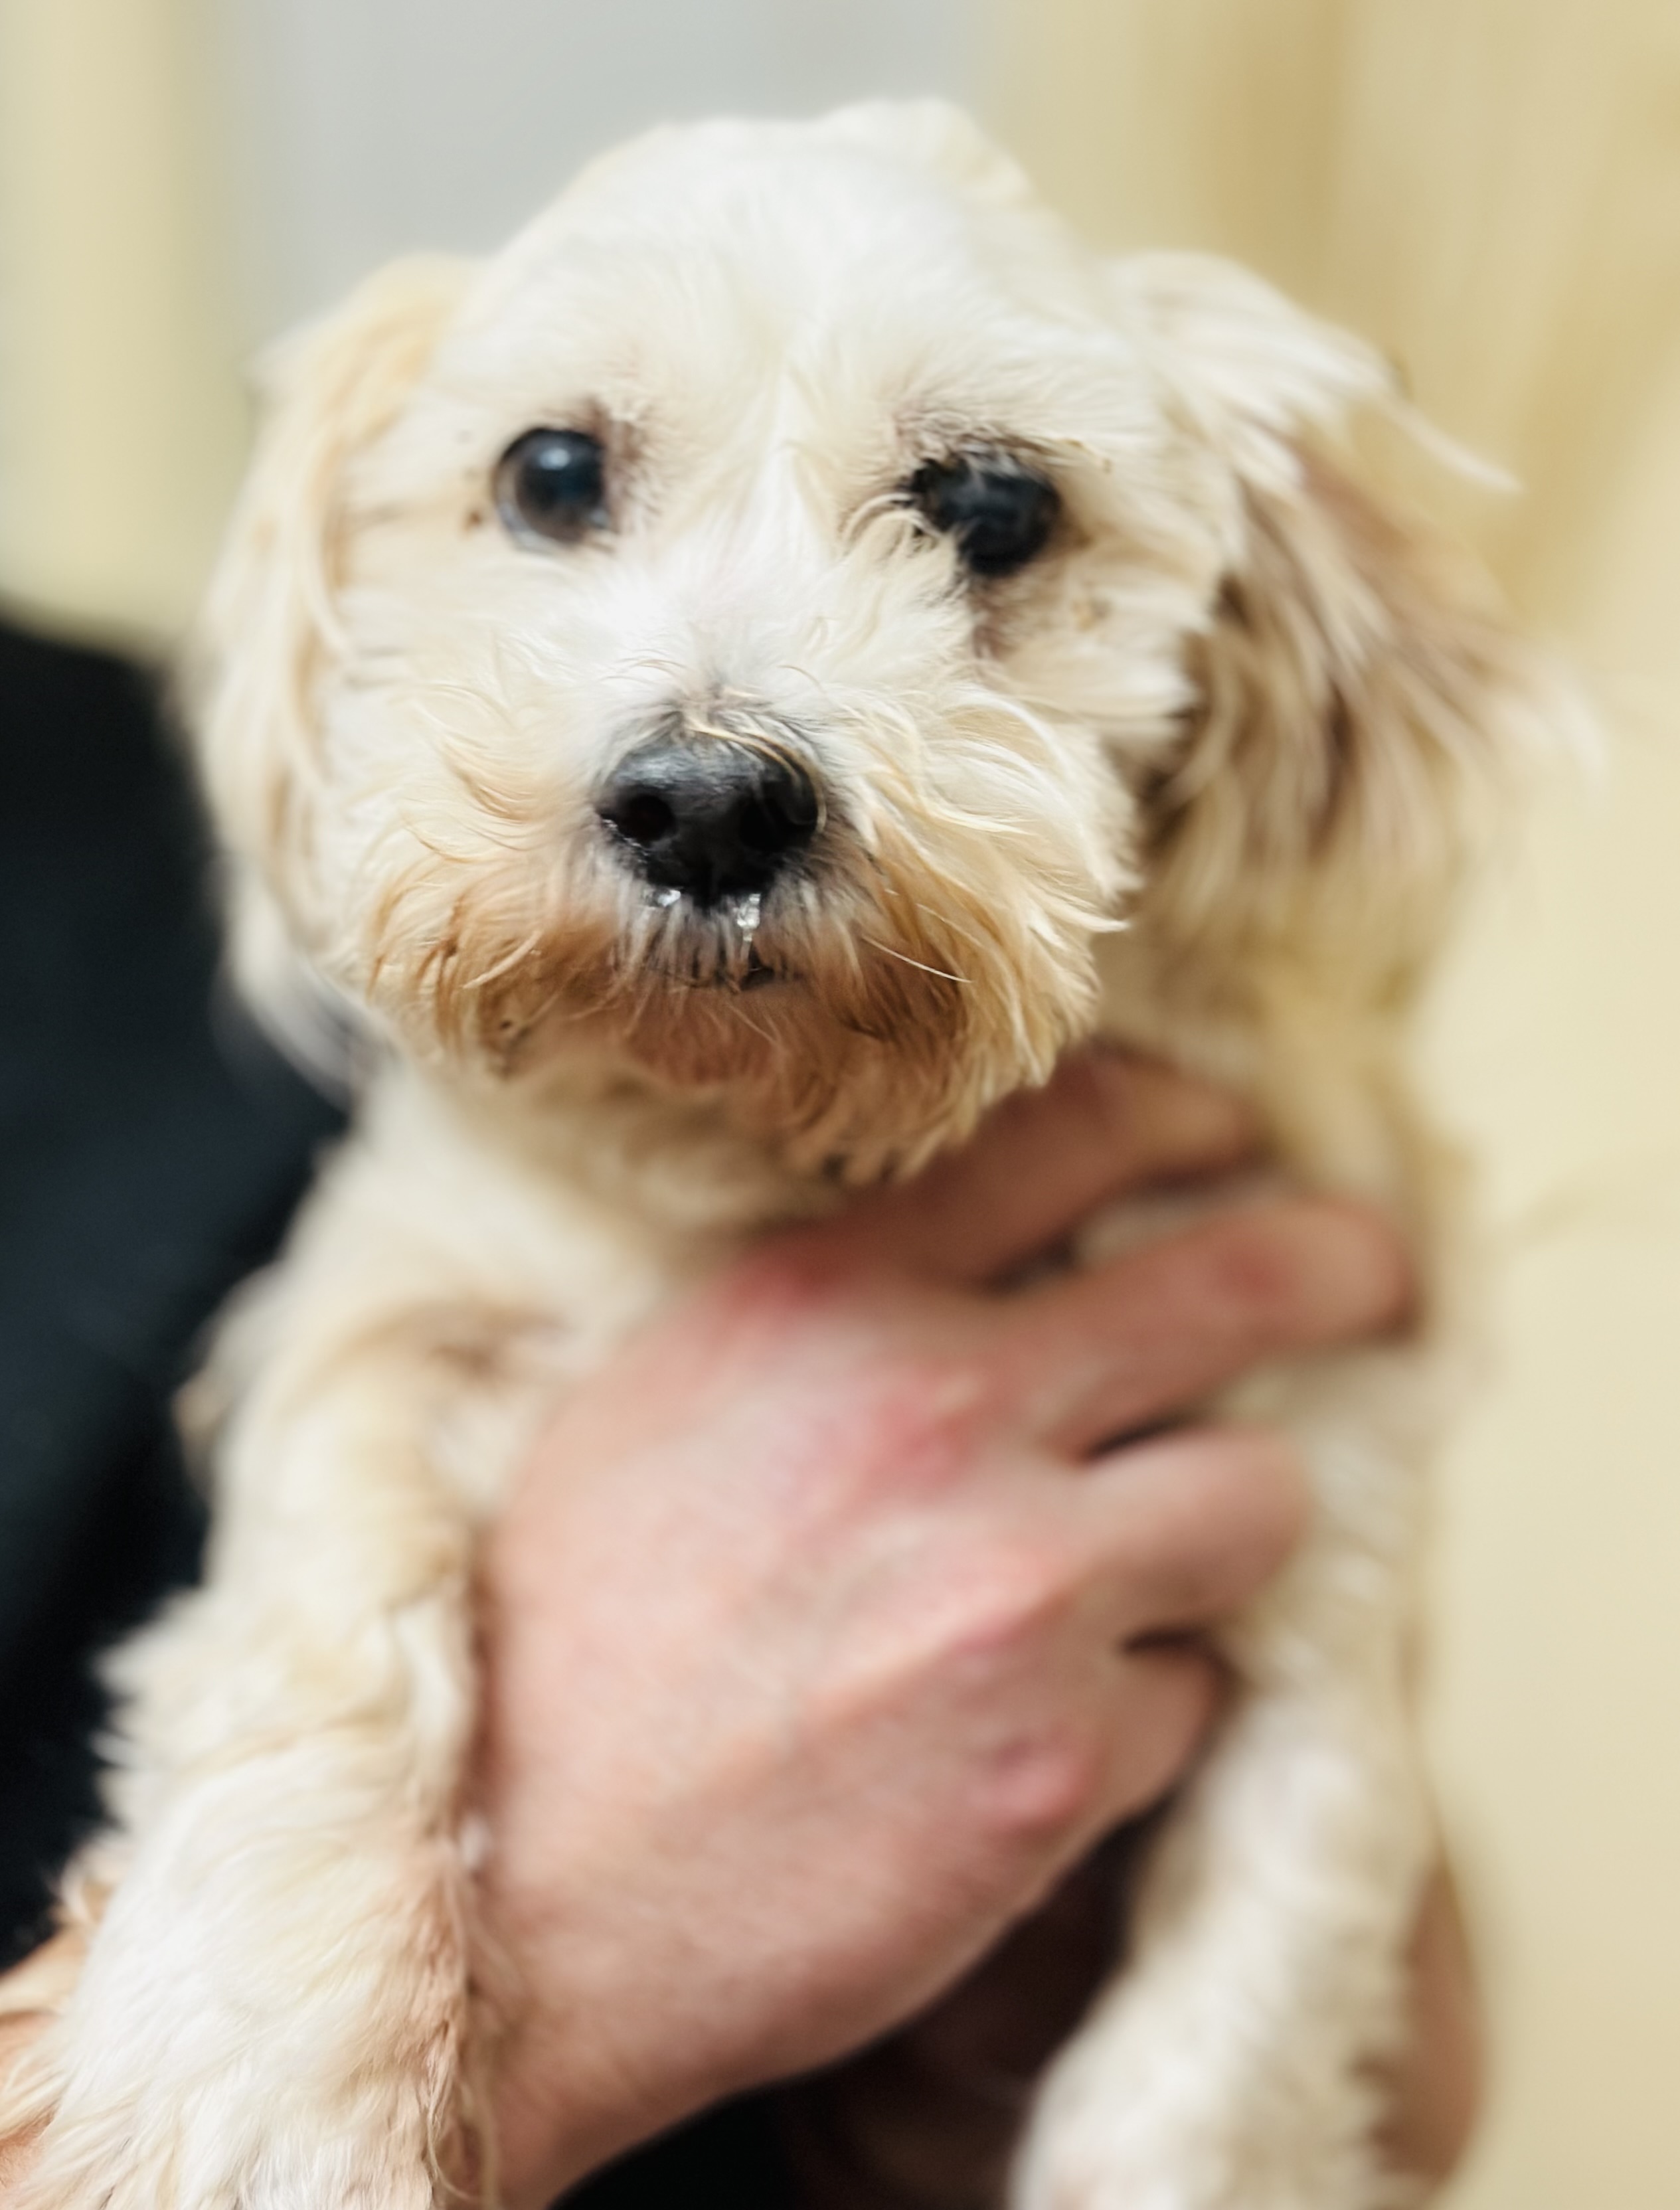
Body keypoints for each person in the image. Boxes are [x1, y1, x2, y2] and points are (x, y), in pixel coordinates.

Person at [0, 619, 1473, 2205]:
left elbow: (1417, 2094)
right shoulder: (397, 804)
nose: (710, 760)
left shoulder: (176, 763)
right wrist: (553, 1945)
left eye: (976, 516)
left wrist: (1145, 1936)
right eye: (561, 481)